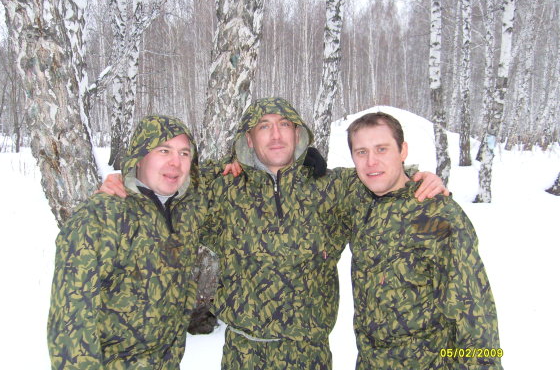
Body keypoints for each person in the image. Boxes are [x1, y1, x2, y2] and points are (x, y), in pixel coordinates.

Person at [99, 98, 448, 369]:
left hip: (309, 357)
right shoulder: (223, 187)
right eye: (264, 127)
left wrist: (419, 177)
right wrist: (125, 181)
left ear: (298, 135)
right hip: (243, 356)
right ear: (249, 140)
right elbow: (166, 179)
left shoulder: (333, 188)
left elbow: (382, 178)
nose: (276, 134)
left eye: (284, 125)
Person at [344, 112, 503, 369]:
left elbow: (473, 312)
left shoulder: (438, 214)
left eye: (382, 149)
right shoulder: (359, 201)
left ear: (403, 150)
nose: (371, 161)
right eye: (361, 152)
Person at [47, 115, 206, 369]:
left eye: (184, 153)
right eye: (164, 150)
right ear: (139, 156)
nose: (175, 162)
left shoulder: (186, 210)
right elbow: (71, 326)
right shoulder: (100, 218)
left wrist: (236, 161)